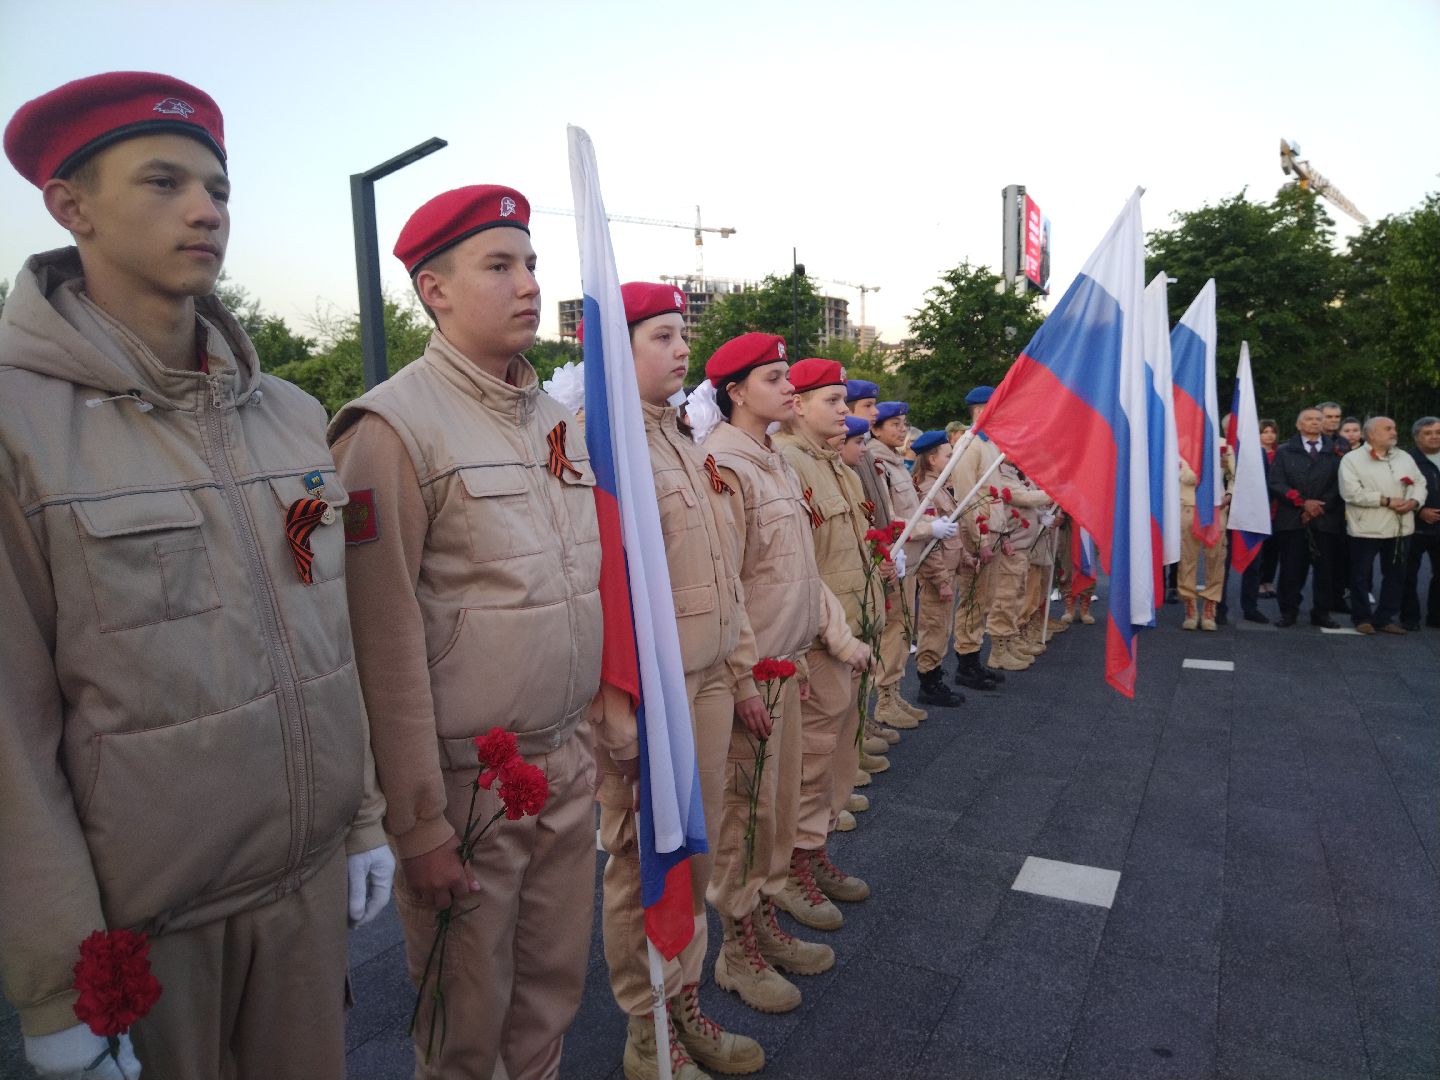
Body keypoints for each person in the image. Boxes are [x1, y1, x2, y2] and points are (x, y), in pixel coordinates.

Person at [0, 72, 391, 1080]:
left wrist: (361, 822)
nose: (206, 211)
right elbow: (11, 737)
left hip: (303, 902)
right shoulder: (18, 429)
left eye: (218, 189)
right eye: (164, 182)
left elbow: (327, 636)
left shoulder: (294, 417)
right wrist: (61, 985)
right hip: (150, 934)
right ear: (70, 205)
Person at [329, 185, 601, 1079]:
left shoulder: (558, 425)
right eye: (499, 265)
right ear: (433, 290)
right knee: (464, 1021)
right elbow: (381, 638)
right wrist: (418, 825)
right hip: (467, 784)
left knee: (550, 994)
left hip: (562, 761)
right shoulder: (392, 428)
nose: (528, 284)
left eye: (530, 263)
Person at [590, 285, 762, 1079]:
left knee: (695, 855)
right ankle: (647, 1031)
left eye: (681, 335)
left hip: (709, 679)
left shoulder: (682, 438)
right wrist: (614, 709)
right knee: (646, 861)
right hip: (652, 693)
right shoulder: (604, 444)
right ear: (614, 352)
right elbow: (597, 585)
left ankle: (685, 998)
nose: (681, 349)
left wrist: (741, 668)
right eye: (660, 336)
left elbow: (722, 572)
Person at [699, 334, 865, 1012]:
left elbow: (795, 572)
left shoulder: (772, 458)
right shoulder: (723, 463)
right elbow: (727, 584)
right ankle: (737, 949)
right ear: (736, 391)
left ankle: (764, 916)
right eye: (774, 377)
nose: (788, 387)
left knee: (775, 813)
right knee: (743, 816)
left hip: (785, 664)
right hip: (753, 674)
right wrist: (742, 680)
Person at [772, 358, 878, 931]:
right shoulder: (789, 464)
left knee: (835, 761)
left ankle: (814, 855)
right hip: (819, 643)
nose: (845, 412)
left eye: (844, 401)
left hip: (849, 640)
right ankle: (793, 869)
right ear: (799, 406)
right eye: (833, 401)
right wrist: (833, 636)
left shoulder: (832, 465)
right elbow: (797, 570)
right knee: (810, 767)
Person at [871, 400, 956, 727]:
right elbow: (890, 517)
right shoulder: (877, 461)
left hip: (908, 559)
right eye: (894, 423)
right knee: (893, 632)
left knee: (902, 631)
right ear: (876, 429)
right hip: (895, 557)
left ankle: (895, 693)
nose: (902, 428)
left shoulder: (893, 462)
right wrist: (927, 529)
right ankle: (886, 700)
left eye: (904, 422)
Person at [1338, 417, 1428, 634]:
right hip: (1366, 528)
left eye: (1394, 428)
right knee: (1360, 575)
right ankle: (1361, 618)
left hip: (1400, 528)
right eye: (1388, 429)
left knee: (1396, 574)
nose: (1394, 432)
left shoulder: (1404, 457)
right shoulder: (1352, 459)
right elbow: (1350, 493)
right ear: (1371, 435)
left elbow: (1420, 482)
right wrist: (1385, 500)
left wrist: (1415, 502)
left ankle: (1385, 618)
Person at [950, 387, 1007, 689]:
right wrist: (981, 540)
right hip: (978, 533)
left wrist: (1003, 533)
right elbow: (967, 498)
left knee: (984, 600)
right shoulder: (969, 445)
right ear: (980, 409)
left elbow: (994, 494)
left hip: (993, 530)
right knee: (972, 600)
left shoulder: (989, 445)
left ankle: (974, 659)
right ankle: (965, 663)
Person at [1267, 408, 1344, 629]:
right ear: (1299, 425)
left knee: (1326, 570)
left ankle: (1322, 612)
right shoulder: (1284, 451)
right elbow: (1276, 483)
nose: (1314, 423)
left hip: (1325, 519)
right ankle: (1288, 611)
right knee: (1291, 568)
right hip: (1292, 519)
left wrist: (1321, 506)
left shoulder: (1335, 452)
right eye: (1309, 419)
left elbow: (1340, 485)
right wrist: (1302, 502)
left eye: (1318, 419)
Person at [908, 432, 965, 706]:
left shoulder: (941, 487)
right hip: (936, 575)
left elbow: (953, 532)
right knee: (933, 627)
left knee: (943, 627)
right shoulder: (926, 492)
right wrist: (941, 579)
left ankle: (935, 675)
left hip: (949, 569)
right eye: (947, 455)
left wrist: (964, 558)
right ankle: (928, 683)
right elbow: (928, 545)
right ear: (932, 459)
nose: (951, 459)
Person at [1177, 443, 1234, 631]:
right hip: (1188, 507)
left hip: (1216, 509)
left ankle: (1210, 606)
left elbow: (1234, 474)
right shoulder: (1178, 443)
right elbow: (1188, 477)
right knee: (1187, 560)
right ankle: (1190, 606)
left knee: (1216, 559)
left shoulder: (1222, 443)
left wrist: (1229, 492)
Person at [1401, 416, 1440, 631]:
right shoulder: (1405, 460)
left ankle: (1436, 616)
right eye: (1428, 433)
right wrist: (1419, 510)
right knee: (1407, 574)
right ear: (1417, 437)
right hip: (1413, 526)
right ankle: (1409, 617)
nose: (1434, 436)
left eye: (1438, 432)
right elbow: (1398, 489)